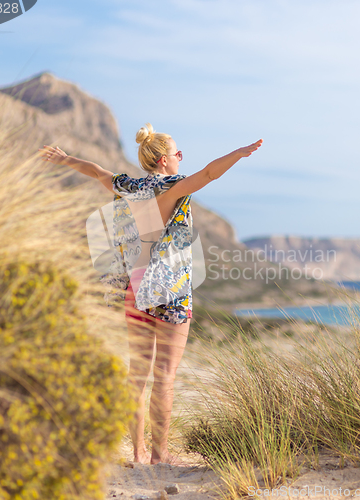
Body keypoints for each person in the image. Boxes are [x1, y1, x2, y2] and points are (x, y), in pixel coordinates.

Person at [38, 124, 263, 465]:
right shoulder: (172, 188)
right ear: (163, 160)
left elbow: (96, 171)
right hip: (168, 289)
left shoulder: (127, 186)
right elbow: (208, 173)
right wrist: (239, 152)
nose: (180, 159)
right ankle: (160, 455)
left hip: (135, 286)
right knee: (165, 377)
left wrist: (66, 159)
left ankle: (138, 453)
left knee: (137, 375)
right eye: (177, 154)